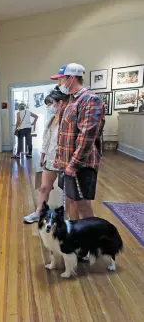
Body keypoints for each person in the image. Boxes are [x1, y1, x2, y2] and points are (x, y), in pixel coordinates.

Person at [50, 63, 105, 220]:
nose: (59, 83)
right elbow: (64, 135)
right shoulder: (71, 101)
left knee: (82, 204)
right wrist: (59, 160)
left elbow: (86, 137)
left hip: (81, 164)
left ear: (71, 78)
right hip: (67, 163)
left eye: (61, 79)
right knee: (71, 200)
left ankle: (91, 240)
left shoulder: (90, 100)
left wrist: (73, 164)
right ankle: (75, 237)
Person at [23, 87, 68, 223]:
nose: (49, 107)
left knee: (68, 192)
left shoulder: (68, 120)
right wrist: (42, 155)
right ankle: (39, 212)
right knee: (44, 187)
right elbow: (46, 140)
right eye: (47, 104)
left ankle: (68, 218)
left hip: (64, 160)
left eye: (50, 103)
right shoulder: (51, 120)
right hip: (49, 158)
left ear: (60, 103)